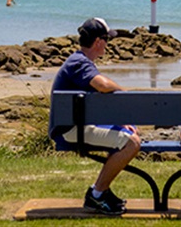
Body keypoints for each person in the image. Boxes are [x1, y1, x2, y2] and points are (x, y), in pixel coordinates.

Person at [49, 17, 141, 216]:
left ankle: (102, 192)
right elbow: (104, 86)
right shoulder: (79, 63)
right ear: (98, 42)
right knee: (132, 143)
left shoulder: (78, 61)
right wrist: (125, 93)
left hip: (72, 126)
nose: (108, 45)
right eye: (107, 40)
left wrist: (120, 122)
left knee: (125, 136)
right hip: (70, 130)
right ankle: (97, 194)